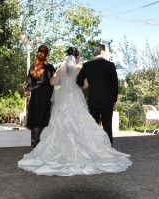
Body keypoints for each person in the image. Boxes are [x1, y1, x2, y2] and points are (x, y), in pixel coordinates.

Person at [18, 47, 132, 176]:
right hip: (76, 98)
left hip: (63, 98)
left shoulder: (61, 68)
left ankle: (57, 150)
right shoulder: (78, 68)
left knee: (60, 122)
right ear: (76, 56)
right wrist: (77, 85)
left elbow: (52, 81)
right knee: (81, 122)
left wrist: (63, 82)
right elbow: (85, 85)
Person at [76, 44, 118, 146]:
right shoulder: (110, 65)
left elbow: (78, 81)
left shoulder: (87, 65)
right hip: (107, 101)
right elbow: (115, 84)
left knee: (93, 125)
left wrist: (87, 88)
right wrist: (114, 100)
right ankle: (109, 148)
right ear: (103, 52)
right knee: (107, 126)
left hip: (93, 100)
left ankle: (94, 147)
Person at [24, 44, 55, 148]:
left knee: (37, 117)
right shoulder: (49, 67)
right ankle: (42, 143)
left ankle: (36, 141)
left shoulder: (33, 67)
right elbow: (53, 81)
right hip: (47, 96)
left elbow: (28, 84)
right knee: (45, 117)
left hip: (36, 96)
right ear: (47, 54)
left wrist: (30, 89)